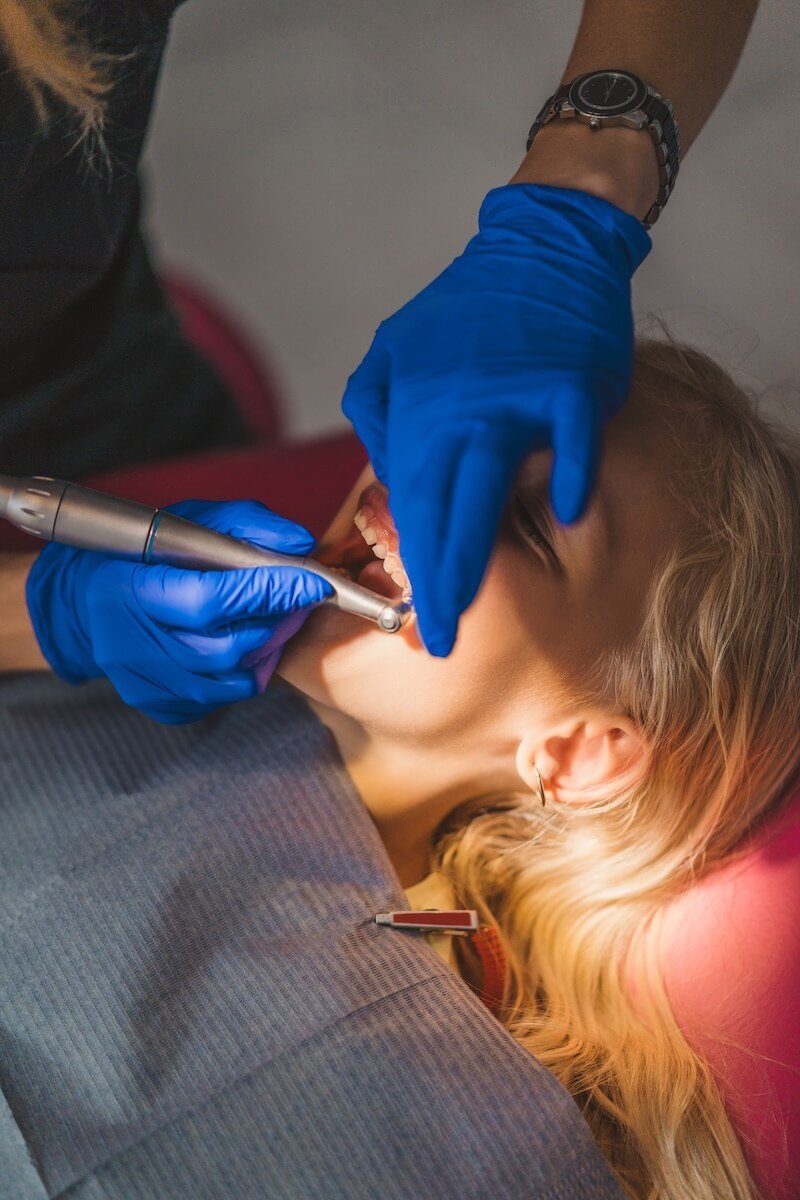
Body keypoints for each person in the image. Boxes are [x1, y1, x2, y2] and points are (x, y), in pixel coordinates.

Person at [0, 0, 762, 714]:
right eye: (531, 522)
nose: (431, 485)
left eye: (479, 439)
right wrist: (36, 616)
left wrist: (581, 190)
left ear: (576, 759)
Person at [277, 331, 800, 1200]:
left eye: (527, 523)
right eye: (472, 429)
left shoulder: (431, 1064)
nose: (429, 476)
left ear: (582, 753)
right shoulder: (137, 657)